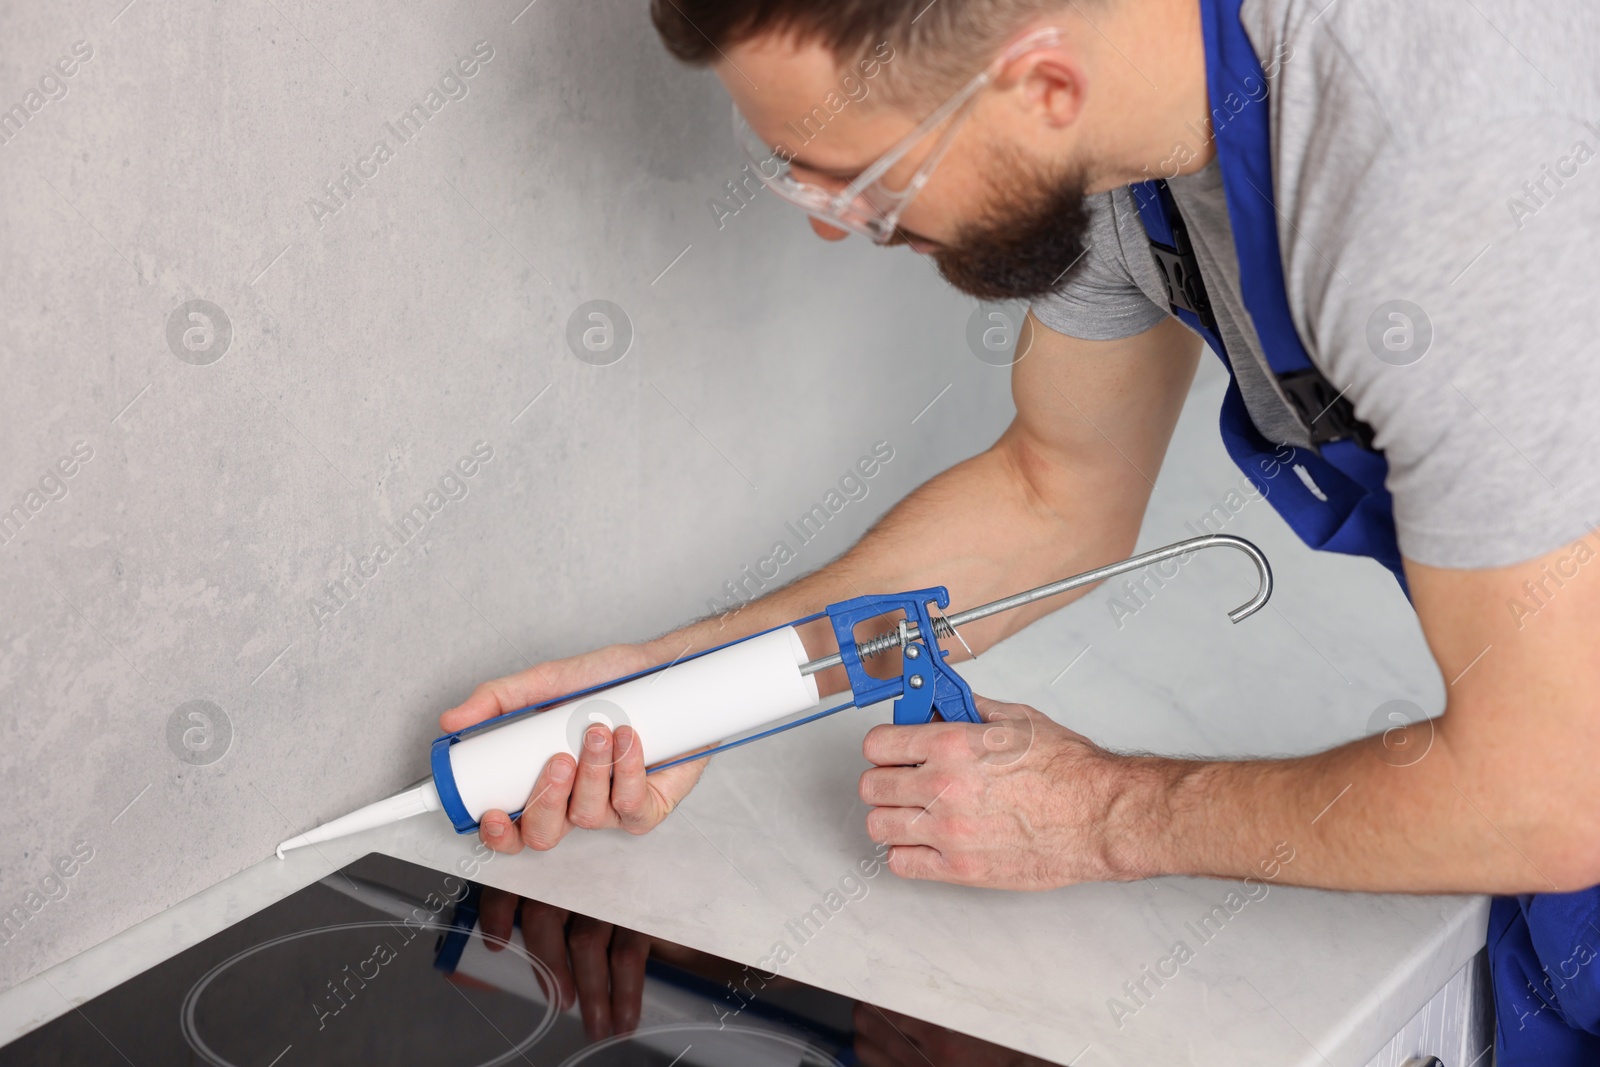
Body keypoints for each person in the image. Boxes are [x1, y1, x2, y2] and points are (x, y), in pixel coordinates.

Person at [440, 1, 1600, 1060]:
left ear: (1040, 87)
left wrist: (1103, 813)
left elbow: (1550, 793)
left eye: (864, 184)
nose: (840, 231)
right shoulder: (1110, 114)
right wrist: (698, 686)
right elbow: (1057, 495)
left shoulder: (1430, 165)